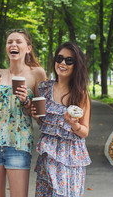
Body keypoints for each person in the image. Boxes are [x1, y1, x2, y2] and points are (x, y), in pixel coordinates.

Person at [0, 29, 46, 197]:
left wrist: (26, 101)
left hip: (19, 144)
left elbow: (41, 117)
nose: (13, 45)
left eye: (18, 41)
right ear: (6, 49)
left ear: (28, 48)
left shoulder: (37, 73)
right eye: (10, 42)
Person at [31, 42, 91, 197]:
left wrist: (74, 125)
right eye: (60, 58)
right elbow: (42, 122)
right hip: (48, 153)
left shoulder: (80, 94)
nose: (63, 63)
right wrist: (36, 115)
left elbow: (84, 132)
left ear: (76, 65)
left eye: (69, 60)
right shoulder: (43, 88)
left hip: (71, 156)